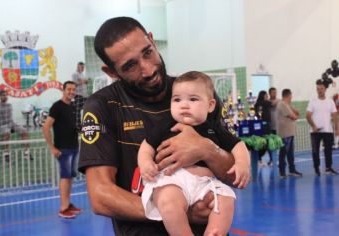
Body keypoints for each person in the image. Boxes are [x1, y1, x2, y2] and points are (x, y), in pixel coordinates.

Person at [78, 17, 250, 236]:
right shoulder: (102, 106)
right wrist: (177, 210)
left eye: (147, 52)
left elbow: (235, 175)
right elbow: (101, 196)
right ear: (111, 72)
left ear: (152, 40)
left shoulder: (195, 94)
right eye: (130, 66)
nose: (148, 70)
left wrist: (206, 149)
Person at [138, 71, 249, 236]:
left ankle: (214, 232)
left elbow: (238, 145)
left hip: (206, 183)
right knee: (168, 203)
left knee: (226, 199)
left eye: (193, 99)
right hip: (173, 180)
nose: (183, 105)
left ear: (210, 105)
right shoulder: (165, 125)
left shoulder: (214, 128)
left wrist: (241, 163)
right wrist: (145, 163)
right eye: (177, 99)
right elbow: (146, 147)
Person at [42, 81, 82, 219]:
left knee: (70, 177)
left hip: (74, 146)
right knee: (65, 177)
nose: (71, 91)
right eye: (69, 89)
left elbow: (71, 126)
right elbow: (46, 127)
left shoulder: (71, 107)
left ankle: (68, 204)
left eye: (73, 89)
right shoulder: (57, 106)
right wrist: (52, 147)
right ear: (63, 90)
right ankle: (63, 208)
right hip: (63, 149)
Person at [306, 79, 338, 176]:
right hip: (315, 131)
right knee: (315, 151)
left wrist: (337, 128)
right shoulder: (313, 101)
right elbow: (308, 115)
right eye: (318, 89)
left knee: (328, 150)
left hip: (328, 131)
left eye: (321, 88)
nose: (320, 90)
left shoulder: (330, 101)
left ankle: (328, 168)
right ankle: (316, 168)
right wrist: (314, 126)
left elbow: (335, 115)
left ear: (325, 89)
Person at [0, 90, 32, 162]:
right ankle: (6, 153)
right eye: (3, 95)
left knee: (24, 131)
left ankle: (26, 153)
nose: (5, 96)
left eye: (6, 95)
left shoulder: (9, 105)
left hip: (11, 124)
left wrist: (13, 127)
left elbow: (10, 118)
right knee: (6, 133)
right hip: (2, 125)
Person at [276, 89, 302, 178]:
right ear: (288, 95)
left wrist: (291, 107)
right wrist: (297, 116)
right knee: (283, 153)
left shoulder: (286, 105)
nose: (291, 98)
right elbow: (294, 116)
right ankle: (282, 172)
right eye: (291, 96)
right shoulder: (282, 104)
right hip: (285, 134)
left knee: (290, 153)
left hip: (289, 133)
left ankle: (292, 170)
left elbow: (296, 112)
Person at [254, 90, 272, 166]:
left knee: (264, 144)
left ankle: (261, 160)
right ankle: (259, 159)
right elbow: (273, 103)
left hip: (261, 126)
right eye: (266, 95)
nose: (267, 96)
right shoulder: (265, 103)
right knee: (264, 143)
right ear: (263, 96)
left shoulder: (257, 104)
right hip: (263, 126)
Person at [72, 61, 89, 130]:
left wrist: (86, 81)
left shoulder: (83, 74)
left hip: (84, 95)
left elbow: (85, 82)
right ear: (78, 66)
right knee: (77, 112)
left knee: (87, 110)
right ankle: (77, 127)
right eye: (81, 67)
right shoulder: (75, 74)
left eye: (83, 67)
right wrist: (82, 81)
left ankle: (85, 124)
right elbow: (74, 84)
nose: (83, 68)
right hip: (78, 95)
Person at [268, 87, 280, 166]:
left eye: (275, 92)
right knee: (270, 144)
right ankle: (271, 159)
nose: (274, 94)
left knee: (278, 143)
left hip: (278, 127)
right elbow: (272, 104)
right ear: (270, 93)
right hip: (270, 127)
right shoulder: (267, 102)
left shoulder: (279, 101)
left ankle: (278, 159)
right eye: (273, 92)